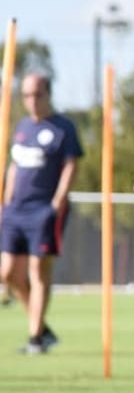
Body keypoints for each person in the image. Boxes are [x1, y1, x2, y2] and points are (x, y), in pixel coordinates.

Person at [0, 75, 82, 354]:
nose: (32, 101)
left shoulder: (63, 127)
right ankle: (42, 328)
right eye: (26, 95)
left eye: (37, 95)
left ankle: (35, 337)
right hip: (15, 210)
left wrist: (57, 202)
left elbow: (72, 165)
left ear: (48, 94)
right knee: (8, 272)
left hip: (43, 210)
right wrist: (5, 202)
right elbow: (14, 167)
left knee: (38, 270)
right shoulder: (21, 127)